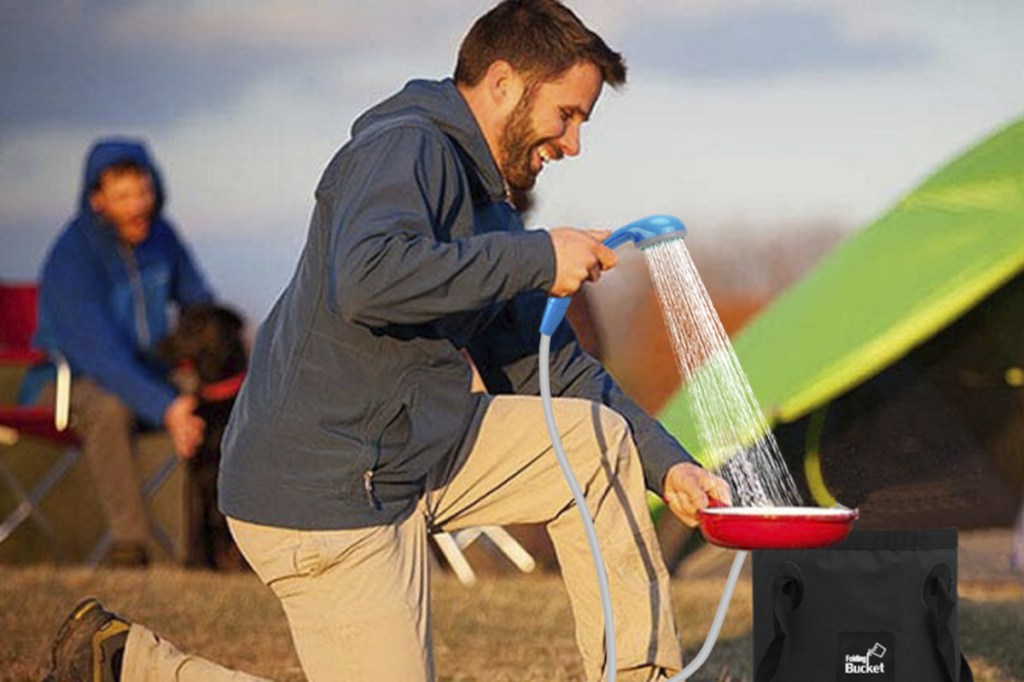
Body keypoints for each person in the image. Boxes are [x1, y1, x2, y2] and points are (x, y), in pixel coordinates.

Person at [45, 2, 730, 680]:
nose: (573, 144)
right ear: (503, 84)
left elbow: (548, 367)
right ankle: (128, 665)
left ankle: (642, 676)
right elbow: (368, 278)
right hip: (324, 487)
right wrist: (537, 259)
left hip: (411, 449)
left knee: (593, 442)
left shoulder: (489, 205)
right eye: (568, 115)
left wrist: (668, 466)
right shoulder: (406, 147)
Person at [22, 137, 210, 567]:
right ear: (97, 199)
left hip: (150, 375)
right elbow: (102, 358)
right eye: (123, 196)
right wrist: (168, 407)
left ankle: (212, 543)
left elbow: (201, 308)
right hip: (68, 382)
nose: (137, 205)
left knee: (218, 397)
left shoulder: (164, 238)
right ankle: (131, 547)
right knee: (110, 407)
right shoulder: (71, 258)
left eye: (143, 191)